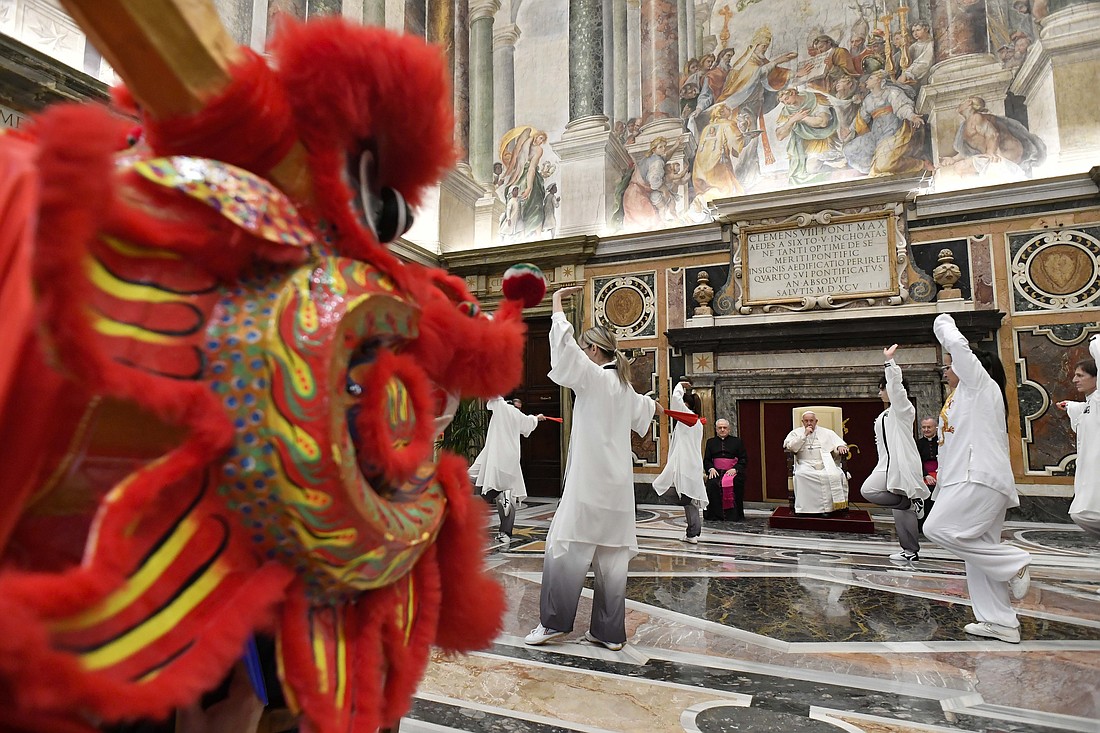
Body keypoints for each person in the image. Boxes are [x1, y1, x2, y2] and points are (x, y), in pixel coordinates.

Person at [525, 284, 663, 652]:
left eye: (586, 349)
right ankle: (608, 633)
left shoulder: (594, 378)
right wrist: (656, 408)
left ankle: (554, 624)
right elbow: (645, 413)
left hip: (588, 485)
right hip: (618, 491)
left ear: (593, 350)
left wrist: (556, 306)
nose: (583, 353)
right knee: (612, 559)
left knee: (562, 547)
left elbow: (565, 353)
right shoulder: (624, 386)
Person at [923, 314, 1032, 644]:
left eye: (949, 364)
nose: (946, 369)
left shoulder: (979, 385)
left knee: (936, 528)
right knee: (978, 554)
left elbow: (957, 344)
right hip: (967, 479)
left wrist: (942, 320)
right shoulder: (959, 397)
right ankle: (1000, 622)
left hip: (978, 478)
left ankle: (1014, 563)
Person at [860, 344, 931, 565]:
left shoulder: (903, 409)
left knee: (871, 492)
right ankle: (909, 549)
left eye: (881, 388)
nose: (879, 393)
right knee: (899, 509)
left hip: (901, 464)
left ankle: (910, 506)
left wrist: (889, 363)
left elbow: (897, 390)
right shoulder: (884, 415)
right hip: (885, 465)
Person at [468, 395, 545, 542]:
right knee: (507, 494)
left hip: (497, 458)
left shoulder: (503, 408)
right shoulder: (515, 413)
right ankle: (505, 533)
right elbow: (530, 422)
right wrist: (538, 418)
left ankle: (465, 509)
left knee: (498, 494)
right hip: (509, 460)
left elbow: (494, 396)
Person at [653, 379, 708, 543]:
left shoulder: (689, 418)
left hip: (685, 463)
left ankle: (692, 530)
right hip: (693, 463)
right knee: (690, 500)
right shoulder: (697, 422)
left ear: (686, 405)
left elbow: (676, 400)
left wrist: (680, 386)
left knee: (660, 487)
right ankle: (692, 534)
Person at [1056, 337, 1100, 539]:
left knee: (1086, 514)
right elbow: (1086, 410)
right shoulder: (1091, 402)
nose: (1074, 380)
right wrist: (1071, 406)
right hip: (1090, 469)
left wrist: (1096, 342)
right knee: (1083, 514)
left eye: (1081, 375)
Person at [783, 411, 849, 514]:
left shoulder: (827, 432)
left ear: (816, 421)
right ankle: (804, 510)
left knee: (830, 475)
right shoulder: (796, 433)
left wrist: (839, 446)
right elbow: (791, 447)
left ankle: (828, 509)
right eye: (806, 421)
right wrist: (804, 435)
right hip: (804, 463)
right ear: (802, 422)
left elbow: (838, 443)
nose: (809, 423)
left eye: (811, 421)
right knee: (801, 475)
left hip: (825, 463)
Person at [703, 418, 749, 521]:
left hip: (732, 471)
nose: (722, 430)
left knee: (735, 483)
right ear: (716, 429)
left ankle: (733, 516)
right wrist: (711, 469)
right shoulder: (710, 442)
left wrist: (735, 469)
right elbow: (707, 460)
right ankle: (715, 515)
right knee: (713, 484)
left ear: (729, 429)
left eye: (725, 428)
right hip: (716, 471)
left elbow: (743, 459)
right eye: (720, 428)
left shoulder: (737, 441)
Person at [916, 416, 939, 493]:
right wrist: (926, 475)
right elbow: (916, 461)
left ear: (936, 427)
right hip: (924, 476)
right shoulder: (918, 444)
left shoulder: (942, 442)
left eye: (929, 427)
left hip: (941, 475)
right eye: (924, 427)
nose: (926, 430)